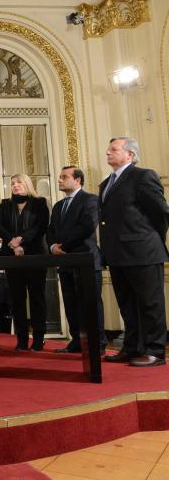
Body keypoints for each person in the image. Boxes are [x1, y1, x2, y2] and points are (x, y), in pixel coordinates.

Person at [99, 137, 169, 367]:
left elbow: (160, 213)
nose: (108, 153)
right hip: (117, 254)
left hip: (143, 251)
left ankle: (156, 351)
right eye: (108, 149)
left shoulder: (143, 176)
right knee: (127, 306)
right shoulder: (105, 183)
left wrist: (150, 239)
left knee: (150, 304)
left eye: (114, 149)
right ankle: (132, 348)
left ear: (130, 154)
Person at [47, 166, 107, 355]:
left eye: (64, 177)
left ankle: (98, 343)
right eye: (60, 177)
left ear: (77, 180)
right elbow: (50, 231)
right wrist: (52, 247)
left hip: (86, 260)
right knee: (71, 303)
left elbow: (87, 226)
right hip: (65, 263)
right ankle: (77, 341)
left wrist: (62, 247)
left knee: (90, 304)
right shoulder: (58, 206)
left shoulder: (90, 200)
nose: (60, 180)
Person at [0, 174, 49, 351]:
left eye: (19, 182)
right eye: (12, 183)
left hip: (35, 256)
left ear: (27, 184)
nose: (15, 185)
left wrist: (21, 240)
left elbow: (41, 226)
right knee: (17, 299)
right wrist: (12, 242)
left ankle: (39, 338)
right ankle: (21, 339)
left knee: (37, 298)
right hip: (12, 257)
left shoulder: (40, 203)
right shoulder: (5, 204)